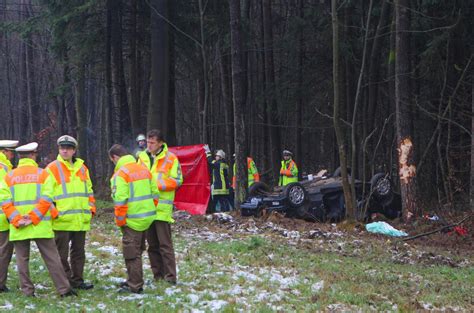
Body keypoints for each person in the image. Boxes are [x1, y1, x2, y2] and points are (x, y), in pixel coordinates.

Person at [0, 142, 75, 297]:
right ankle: (64, 290)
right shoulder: (44, 174)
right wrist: (33, 217)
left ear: (20, 157)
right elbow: (47, 199)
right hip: (40, 223)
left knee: (22, 259)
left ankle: (27, 291)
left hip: (19, 225)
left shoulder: (9, 176)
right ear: (33, 155)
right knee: (52, 258)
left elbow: (5, 201)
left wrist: (16, 219)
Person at [45, 135, 96, 290]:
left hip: (80, 219)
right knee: (60, 255)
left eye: (68, 148)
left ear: (74, 150)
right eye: (62, 148)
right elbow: (45, 195)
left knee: (79, 253)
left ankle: (78, 280)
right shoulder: (52, 168)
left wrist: (91, 209)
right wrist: (54, 213)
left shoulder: (82, 168)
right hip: (62, 220)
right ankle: (65, 282)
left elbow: (89, 191)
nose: (65, 151)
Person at [109, 144, 157, 294]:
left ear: (115, 157)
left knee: (131, 253)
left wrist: (120, 220)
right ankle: (133, 279)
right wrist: (149, 209)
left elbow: (121, 200)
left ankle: (135, 285)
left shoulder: (121, 174)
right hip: (147, 217)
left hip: (132, 220)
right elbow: (155, 193)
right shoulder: (143, 169)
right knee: (139, 250)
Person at [137, 129, 182, 284]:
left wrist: (156, 186)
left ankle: (170, 277)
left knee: (165, 245)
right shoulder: (142, 157)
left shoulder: (171, 158)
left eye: (152, 143)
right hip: (147, 208)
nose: (149, 145)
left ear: (161, 143)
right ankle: (158, 275)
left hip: (162, 209)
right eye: (148, 142)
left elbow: (177, 181)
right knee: (152, 246)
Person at [0, 140, 18, 293]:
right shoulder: (3, 168)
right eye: (11, 152)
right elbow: (4, 194)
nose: (13, 156)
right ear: (4, 152)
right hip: (2, 217)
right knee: (4, 251)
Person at [204, 145, 232, 212]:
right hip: (224, 187)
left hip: (219, 187)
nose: (216, 157)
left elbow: (210, 161)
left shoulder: (218, 164)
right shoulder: (224, 164)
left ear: (220, 157)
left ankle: (216, 213)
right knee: (223, 201)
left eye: (217, 156)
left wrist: (208, 152)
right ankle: (225, 212)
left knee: (217, 202)